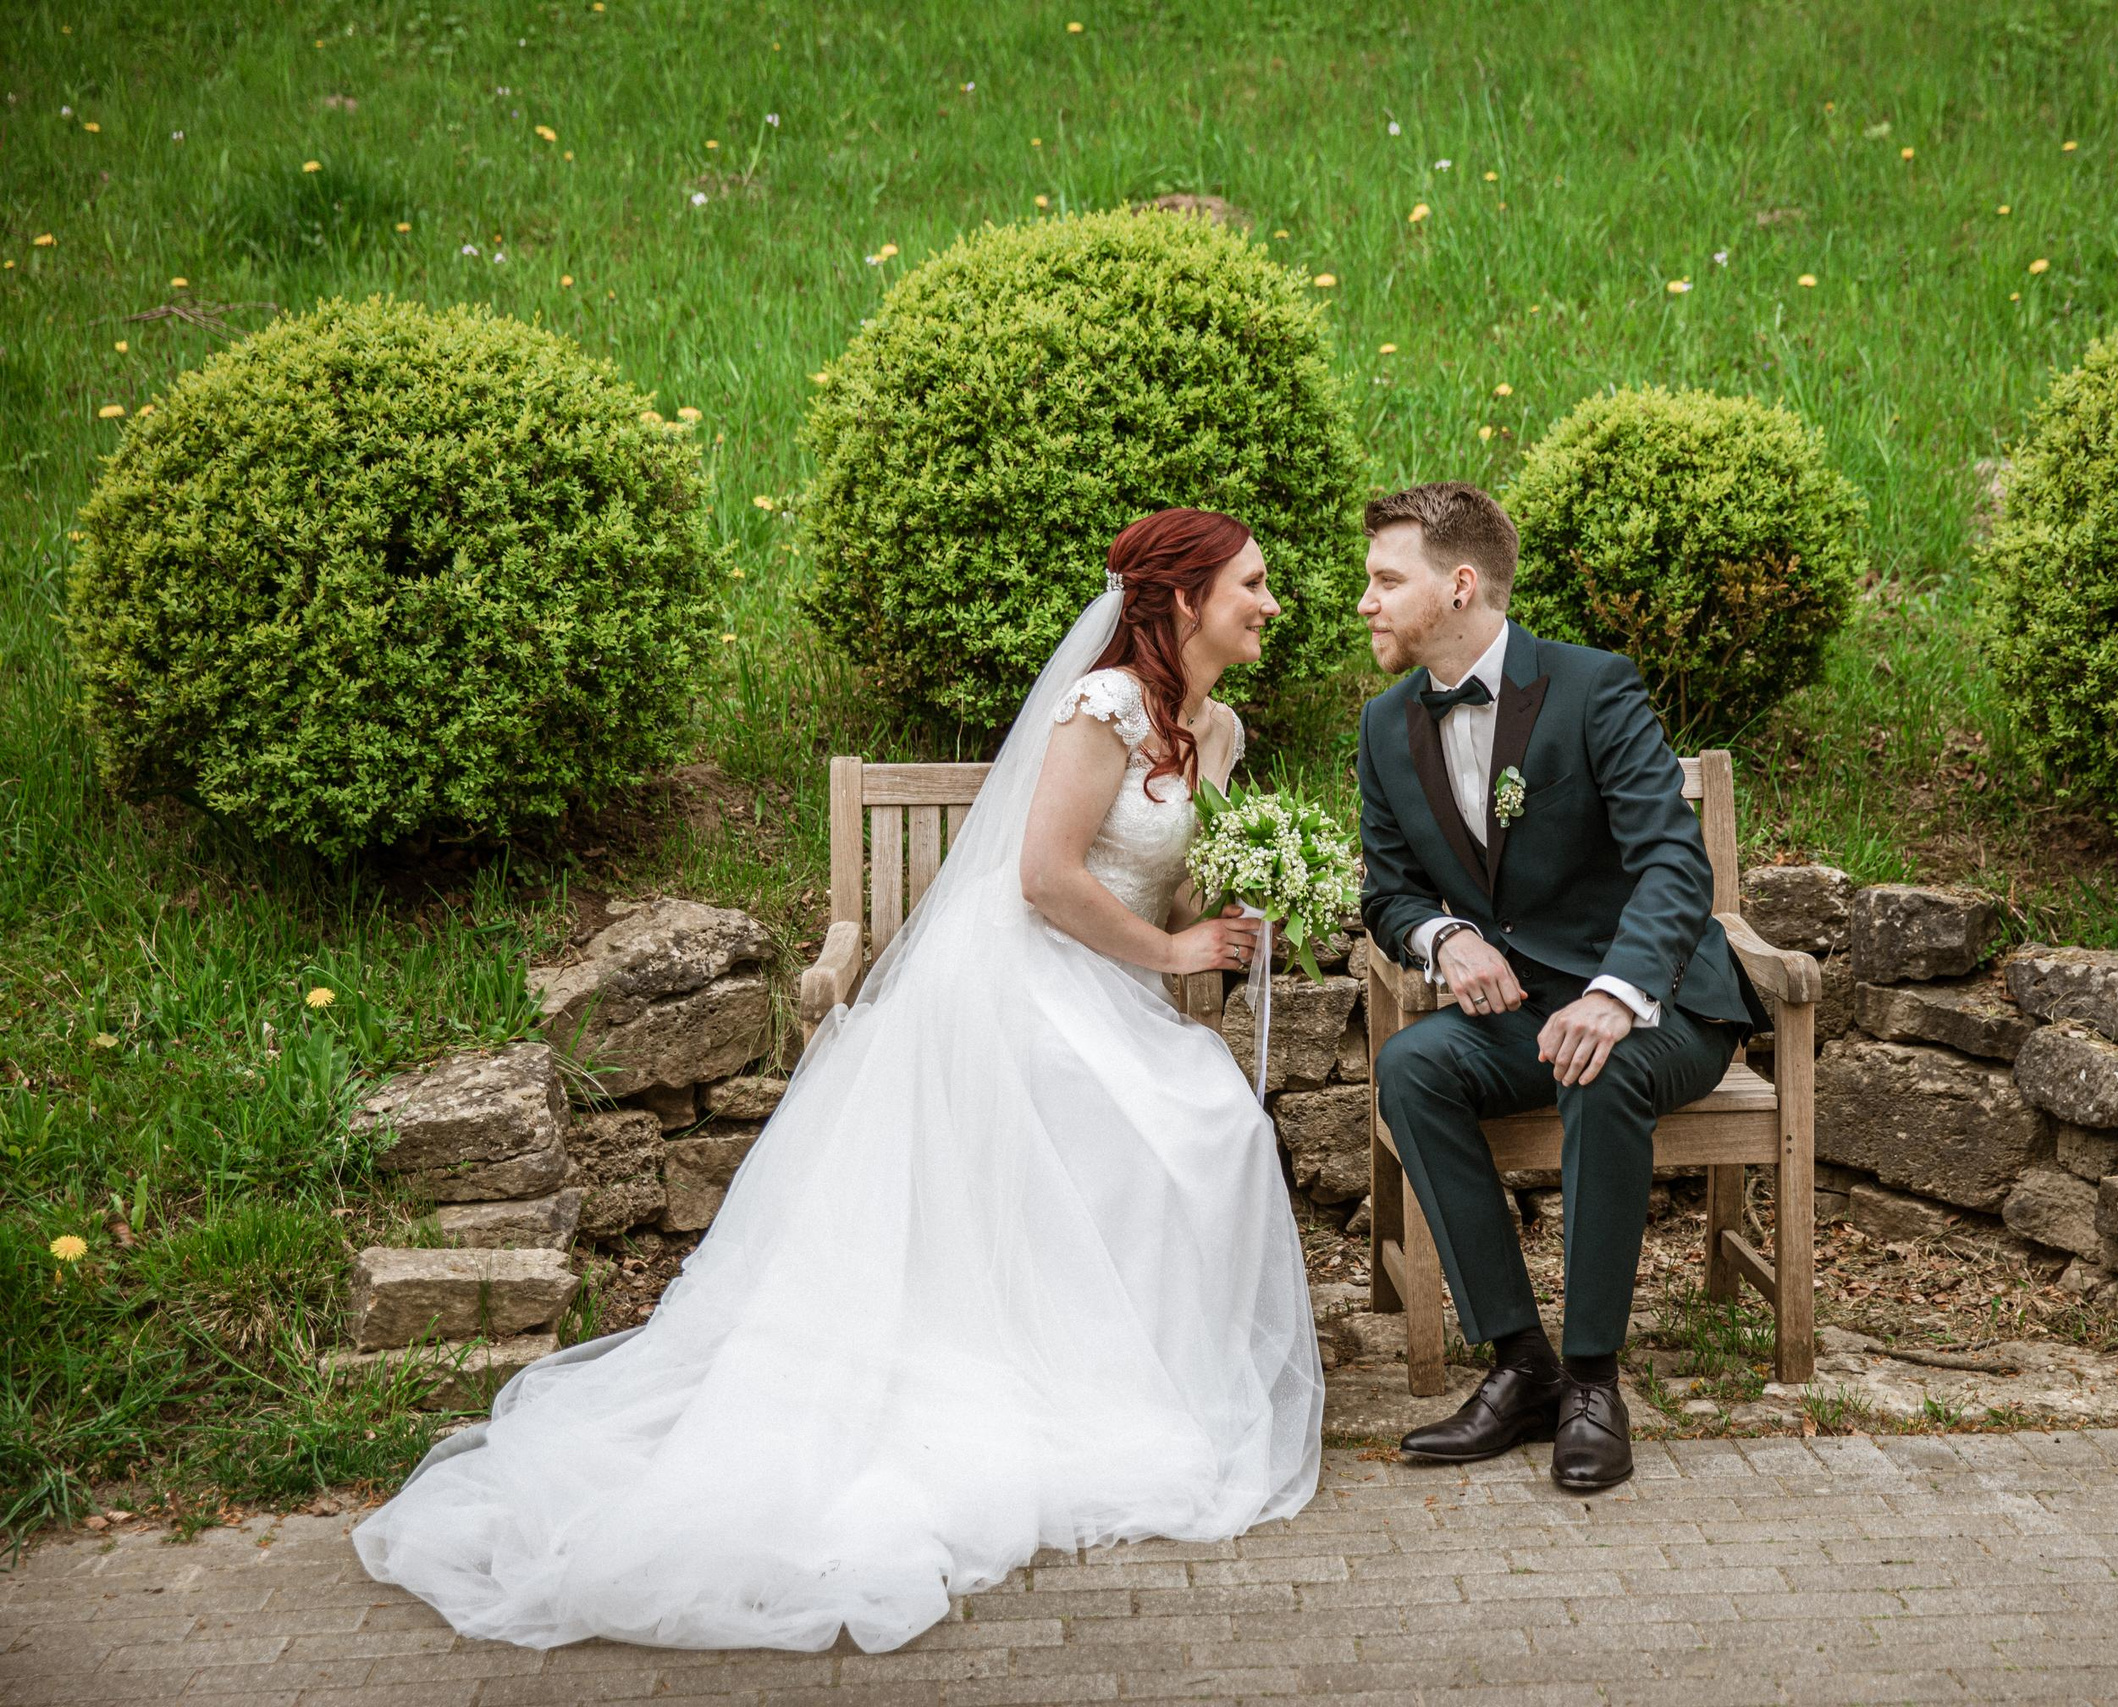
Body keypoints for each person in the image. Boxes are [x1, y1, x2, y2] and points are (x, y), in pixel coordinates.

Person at [353, 509, 1322, 1653]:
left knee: (1209, 1119)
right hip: (1017, 982)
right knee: (1160, 1114)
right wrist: (1171, 950)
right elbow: (1045, 879)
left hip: (1111, 985)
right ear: (1183, 600)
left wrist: (1237, 906)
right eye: (1252, 584)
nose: (1271, 604)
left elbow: (1165, 886)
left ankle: (1147, 1376)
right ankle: (1066, 1378)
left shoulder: (1219, 730)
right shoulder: (1101, 706)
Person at [1355, 482, 1766, 1492]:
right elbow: (1387, 892)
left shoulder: (1591, 687)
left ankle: (1592, 1381)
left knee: (1600, 1067)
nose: (1365, 602)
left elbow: (1673, 861)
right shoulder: (1384, 725)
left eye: (1385, 580)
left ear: (1459, 586)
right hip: (1519, 1013)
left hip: (1660, 1005)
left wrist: (1615, 992)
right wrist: (1445, 937)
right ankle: (1521, 1364)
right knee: (1412, 1067)